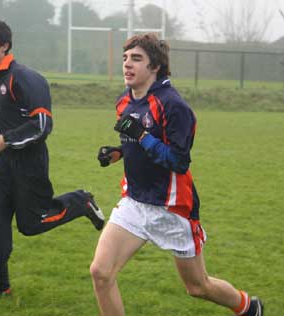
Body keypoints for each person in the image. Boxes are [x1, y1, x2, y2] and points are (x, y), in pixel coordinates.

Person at [90, 33, 263, 316]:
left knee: (197, 287)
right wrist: (117, 153)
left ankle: (247, 306)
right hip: (134, 202)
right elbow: (134, 141)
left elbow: (178, 161)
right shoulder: (125, 101)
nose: (127, 64)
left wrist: (142, 136)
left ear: (155, 66)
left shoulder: (174, 106)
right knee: (100, 272)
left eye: (136, 58)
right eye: (124, 58)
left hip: (172, 208)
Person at [0, 19, 105, 299]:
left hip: (30, 164)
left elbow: (42, 125)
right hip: (4, 163)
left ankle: (81, 202)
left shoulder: (24, 78)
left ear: (5, 46)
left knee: (31, 224)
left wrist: (6, 140)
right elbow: (3, 115)